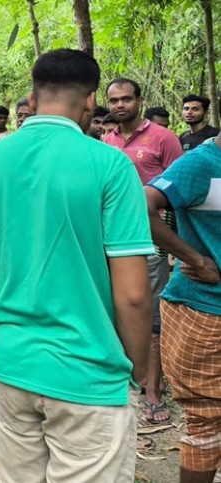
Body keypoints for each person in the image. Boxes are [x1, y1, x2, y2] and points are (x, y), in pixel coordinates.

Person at [0, 49, 154, 482]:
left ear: (32, 96)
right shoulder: (110, 165)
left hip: (12, 365)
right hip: (90, 373)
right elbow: (134, 295)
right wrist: (136, 371)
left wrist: (12, 319)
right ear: (90, 101)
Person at [105, 77, 184, 424]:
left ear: (139, 100)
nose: (119, 105)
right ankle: (124, 375)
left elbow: (181, 191)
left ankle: (153, 389)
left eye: (125, 99)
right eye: (113, 100)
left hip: (149, 240)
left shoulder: (164, 139)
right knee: (117, 306)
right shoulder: (106, 141)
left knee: (152, 315)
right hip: (109, 238)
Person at [145, 135, 221, 483]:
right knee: (206, 419)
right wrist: (193, 257)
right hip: (203, 310)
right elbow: (143, 204)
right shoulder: (202, 163)